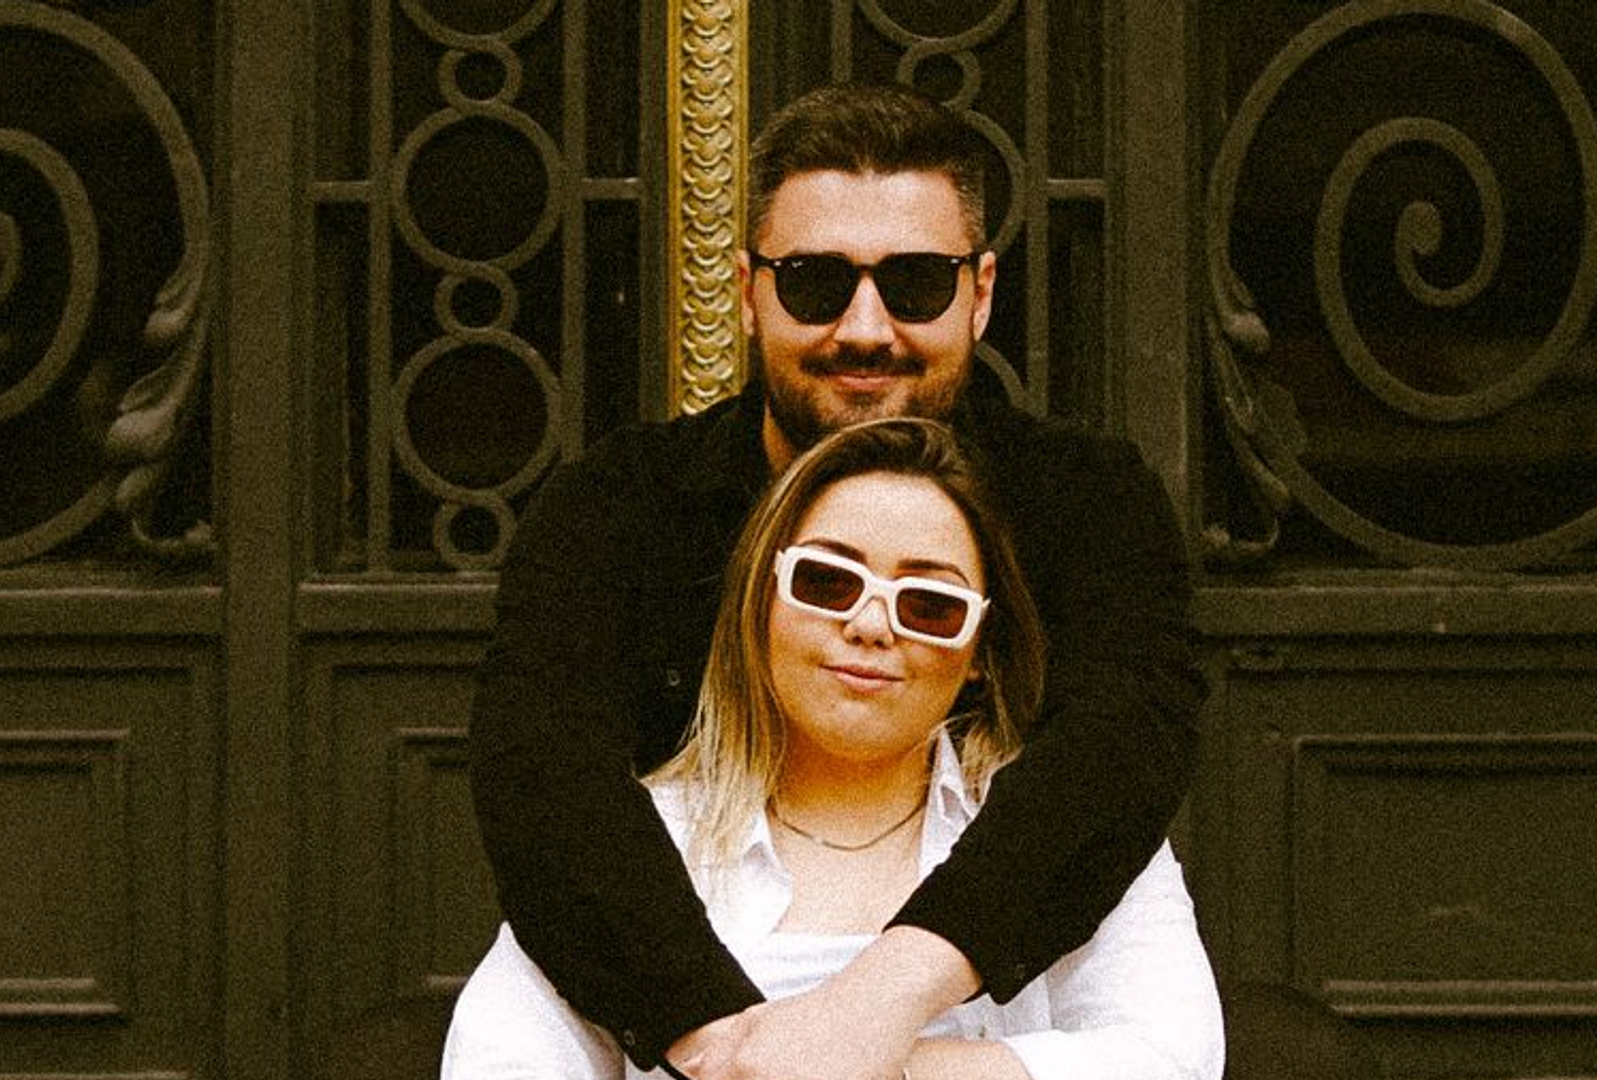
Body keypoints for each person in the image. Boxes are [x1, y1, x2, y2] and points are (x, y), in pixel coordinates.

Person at [467, 82, 1205, 1080]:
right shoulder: (619, 506)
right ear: (746, 291)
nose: (865, 327)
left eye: (916, 283)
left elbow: (1122, 744)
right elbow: (543, 770)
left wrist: (874, 1009)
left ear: (981, 291)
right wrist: (730, 1049)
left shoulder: (1085, 500)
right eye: (815, 282)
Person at [447, 418, 1224, 1080]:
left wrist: (869, 1059)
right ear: (762, 604)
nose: (872, 625)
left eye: (930, 604)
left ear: (980, 654)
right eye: (827, 582)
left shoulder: (1073, 839)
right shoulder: (638, 844)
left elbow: (1171, 1060)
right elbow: (500, 1063)